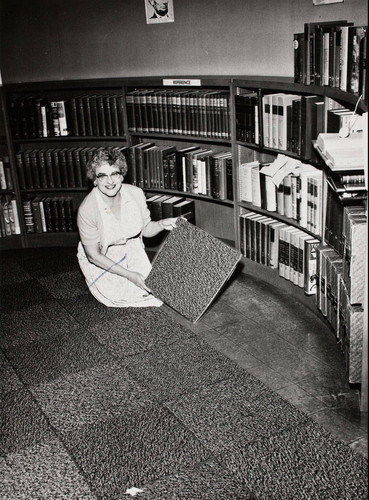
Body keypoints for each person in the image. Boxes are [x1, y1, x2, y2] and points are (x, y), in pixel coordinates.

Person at [77, 147, 177, 307]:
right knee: (121, 297)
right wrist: (129, 275)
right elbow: (93, 256)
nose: (110, 182)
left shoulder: (136, 193)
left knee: (159, 291)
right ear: (95, 180)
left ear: (122, 175)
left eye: (115, 174)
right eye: (102, 176)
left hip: (132, 249)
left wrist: (160, 224)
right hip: (103, 258)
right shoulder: (87, 209)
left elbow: (145, 229)